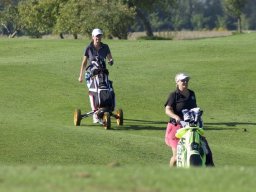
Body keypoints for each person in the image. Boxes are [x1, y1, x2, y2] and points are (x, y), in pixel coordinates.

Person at [164, 73, 214, 167]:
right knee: (176, 157)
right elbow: (167, 109)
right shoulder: (173, 95)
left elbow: (194, 108)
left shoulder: (191, 93)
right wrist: (176, 117)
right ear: (177, 82)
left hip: (190, 127)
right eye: (182, 80)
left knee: (204, 149)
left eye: (186, 80)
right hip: (175, 128)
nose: (185, 82)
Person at [78, 28, 114, 123]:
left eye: (100, 35)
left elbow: (110, 58)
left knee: (107, 89)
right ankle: (95, 113)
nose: (98, 37)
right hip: (91, 74)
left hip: (102, 73)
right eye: (96, 36)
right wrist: (80, 75)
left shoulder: (105, 47)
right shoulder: (88, 48)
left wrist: (110, 61)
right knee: (93, 91)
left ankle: (105, 108)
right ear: (93, 37)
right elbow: (84, 62)